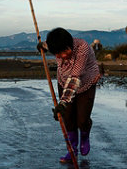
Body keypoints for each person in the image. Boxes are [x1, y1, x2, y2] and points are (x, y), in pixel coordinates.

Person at [41, 28, 101, 162]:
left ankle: (84, 135)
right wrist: (42, 47)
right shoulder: (56, 46)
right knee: (67, 118)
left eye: (64, 52)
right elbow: (46, 45)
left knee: (82, 119)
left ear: (70, 45)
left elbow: (75, 77)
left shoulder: (82, 48)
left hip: (85, 83)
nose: (62, 56)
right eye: (58, 54)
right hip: (64, 82)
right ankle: (72, 150)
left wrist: (63, 103)